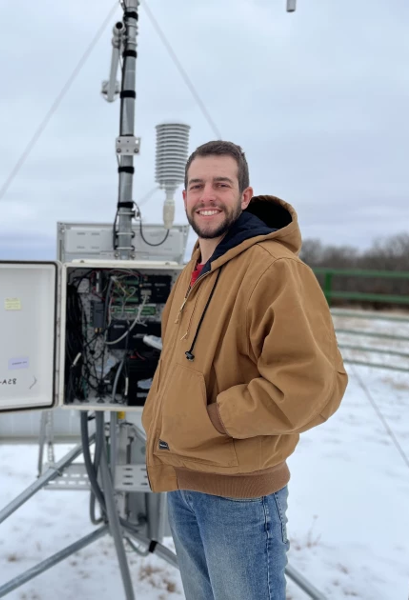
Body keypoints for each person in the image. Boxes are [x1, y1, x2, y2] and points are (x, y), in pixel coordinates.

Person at [141, 140, 348, 600]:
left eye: (221, 184)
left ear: (246, 195)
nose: (207, 195)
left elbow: (311, 388)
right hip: (185, 483)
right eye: (196, 185)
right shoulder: (195, 270)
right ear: (185, 198)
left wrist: (213, 420)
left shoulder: (275, 269)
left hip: (240, 498)